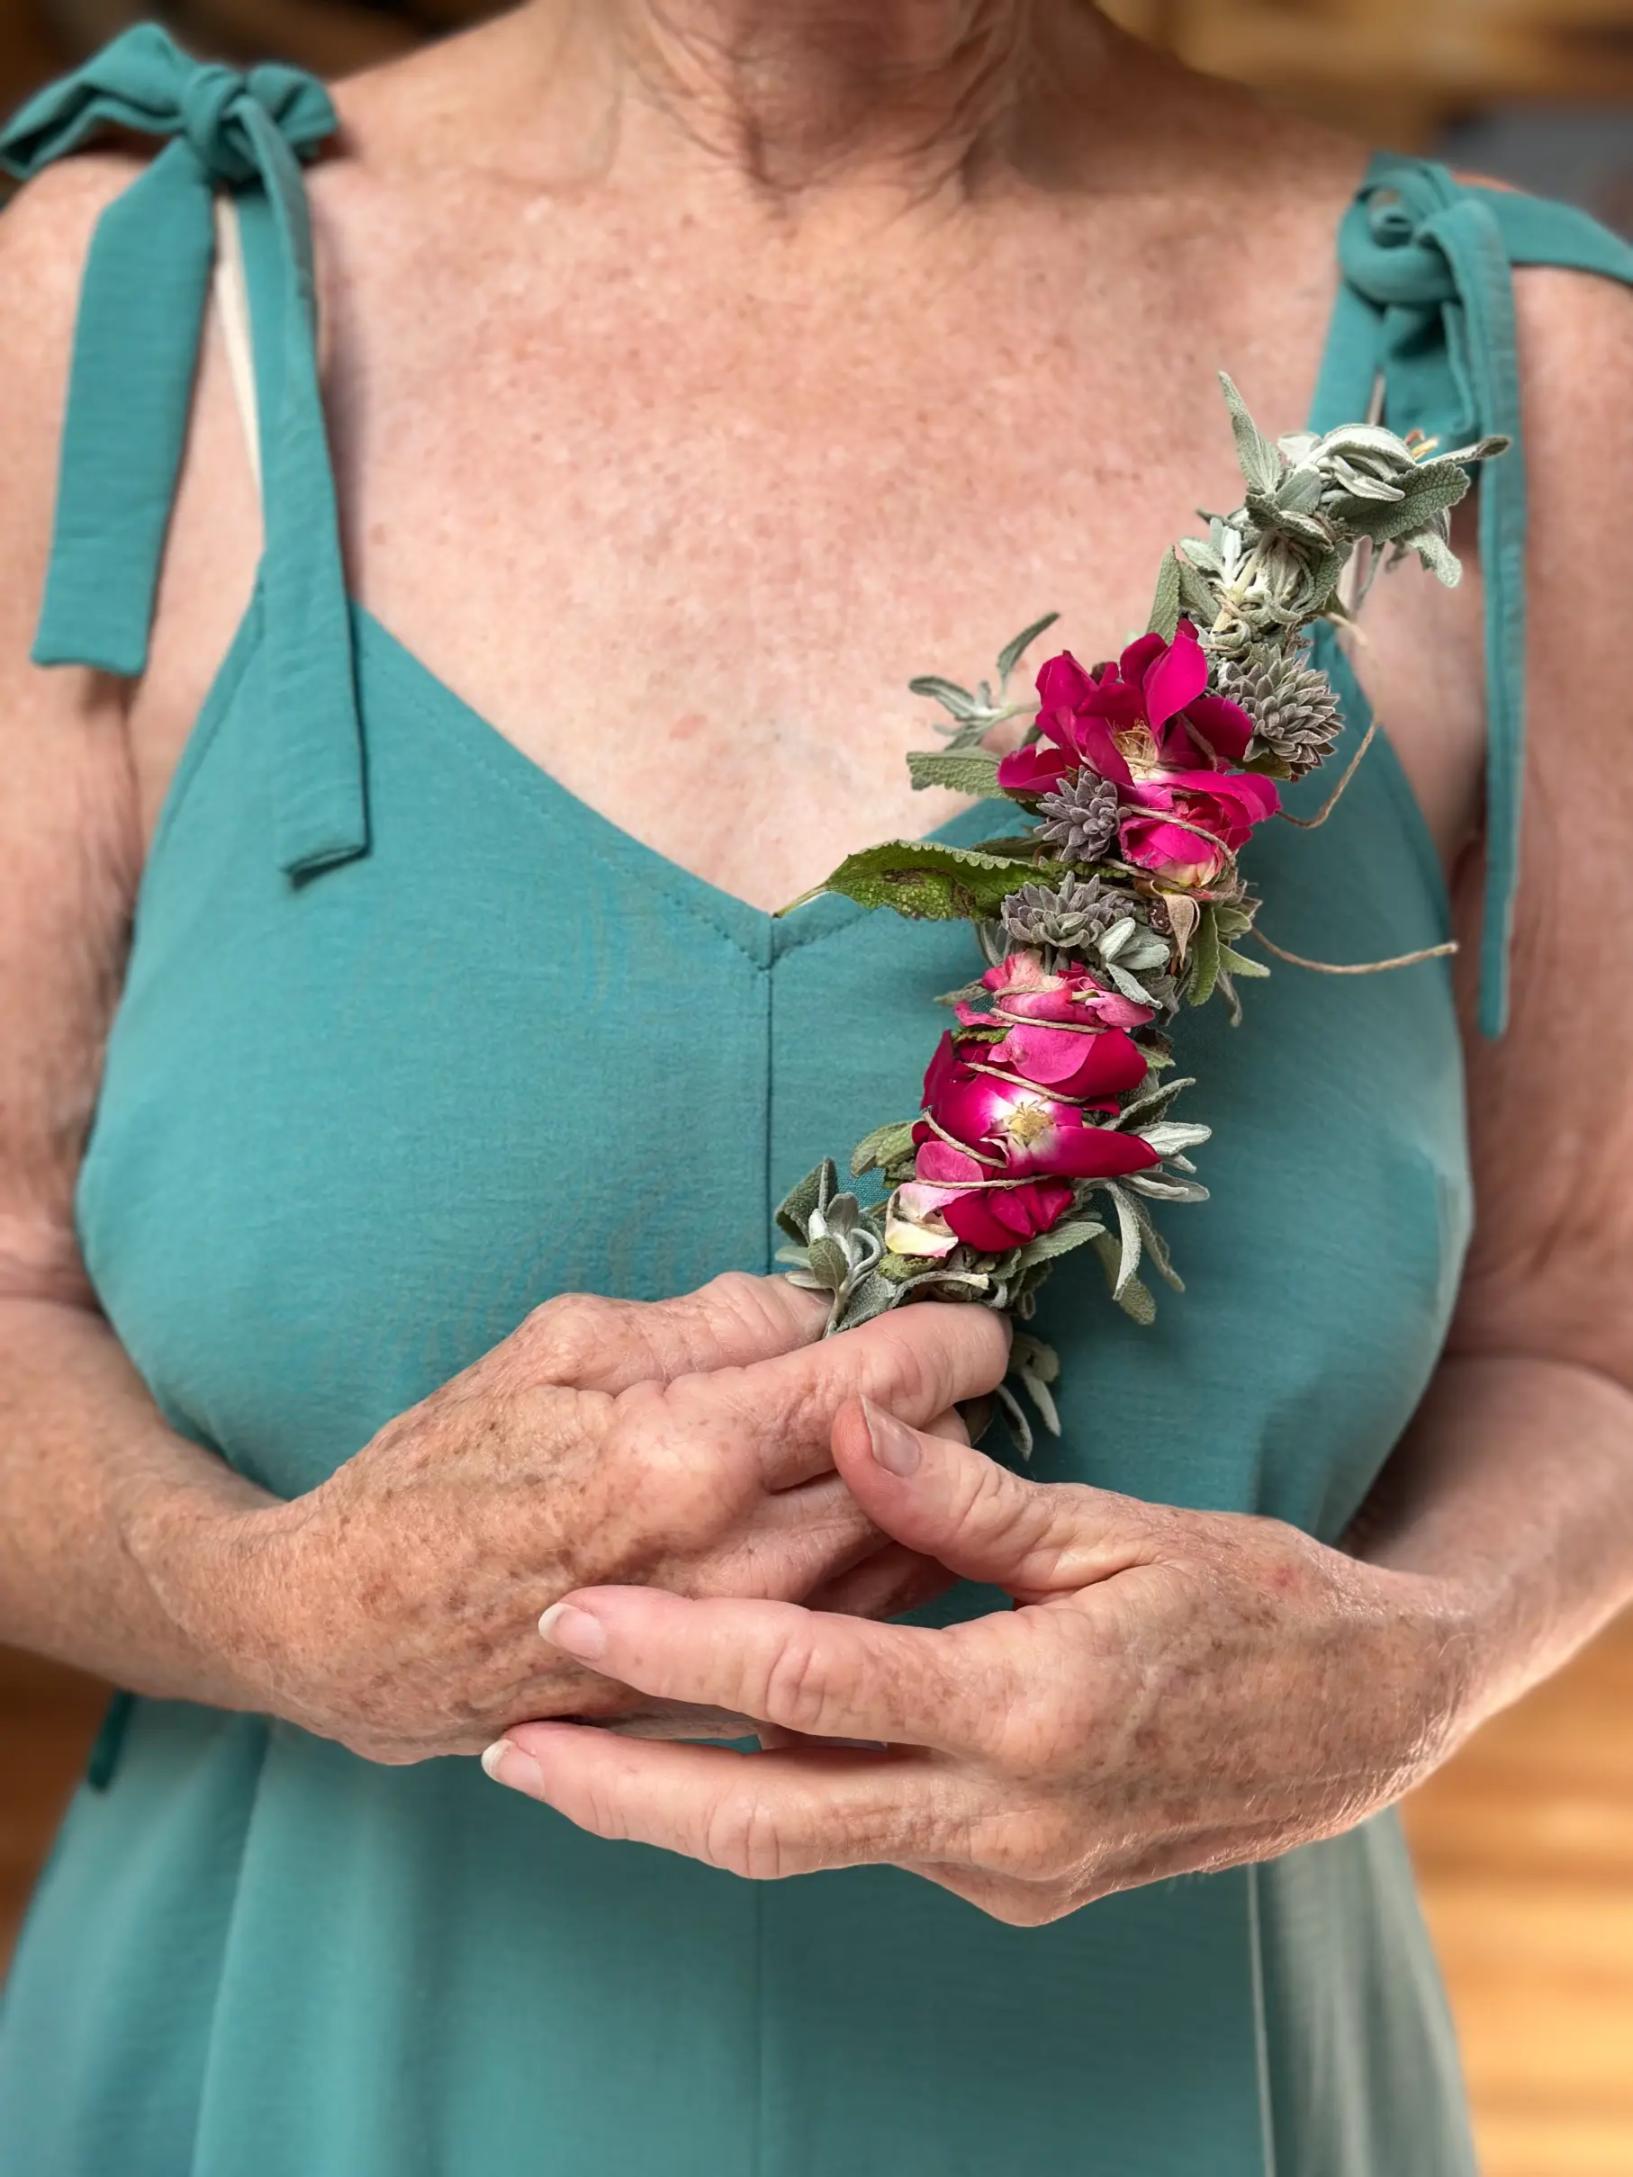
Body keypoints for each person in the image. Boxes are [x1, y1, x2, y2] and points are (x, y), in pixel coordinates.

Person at [2, 6, 1631, 2172]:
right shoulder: (124, 297)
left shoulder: (1535, 377)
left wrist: (1412, 1675)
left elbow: (1586, 1326)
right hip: (282, 2070)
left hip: (1174, 2089)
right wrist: (272, 1608)